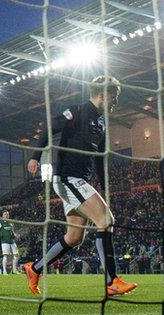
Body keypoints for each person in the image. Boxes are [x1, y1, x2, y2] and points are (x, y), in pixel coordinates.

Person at [24, 76, 136, 296]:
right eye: (114, 96)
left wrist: (104, 188)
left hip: (79, 180)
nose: (116, 101)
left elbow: (99, 159)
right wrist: (35, 157)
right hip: (68, 178)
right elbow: (50, 126)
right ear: (103, 94)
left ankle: (34, 268)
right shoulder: (77, 111)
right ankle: (111, 281)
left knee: (74, 237)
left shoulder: (101, 122)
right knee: (106, 220)